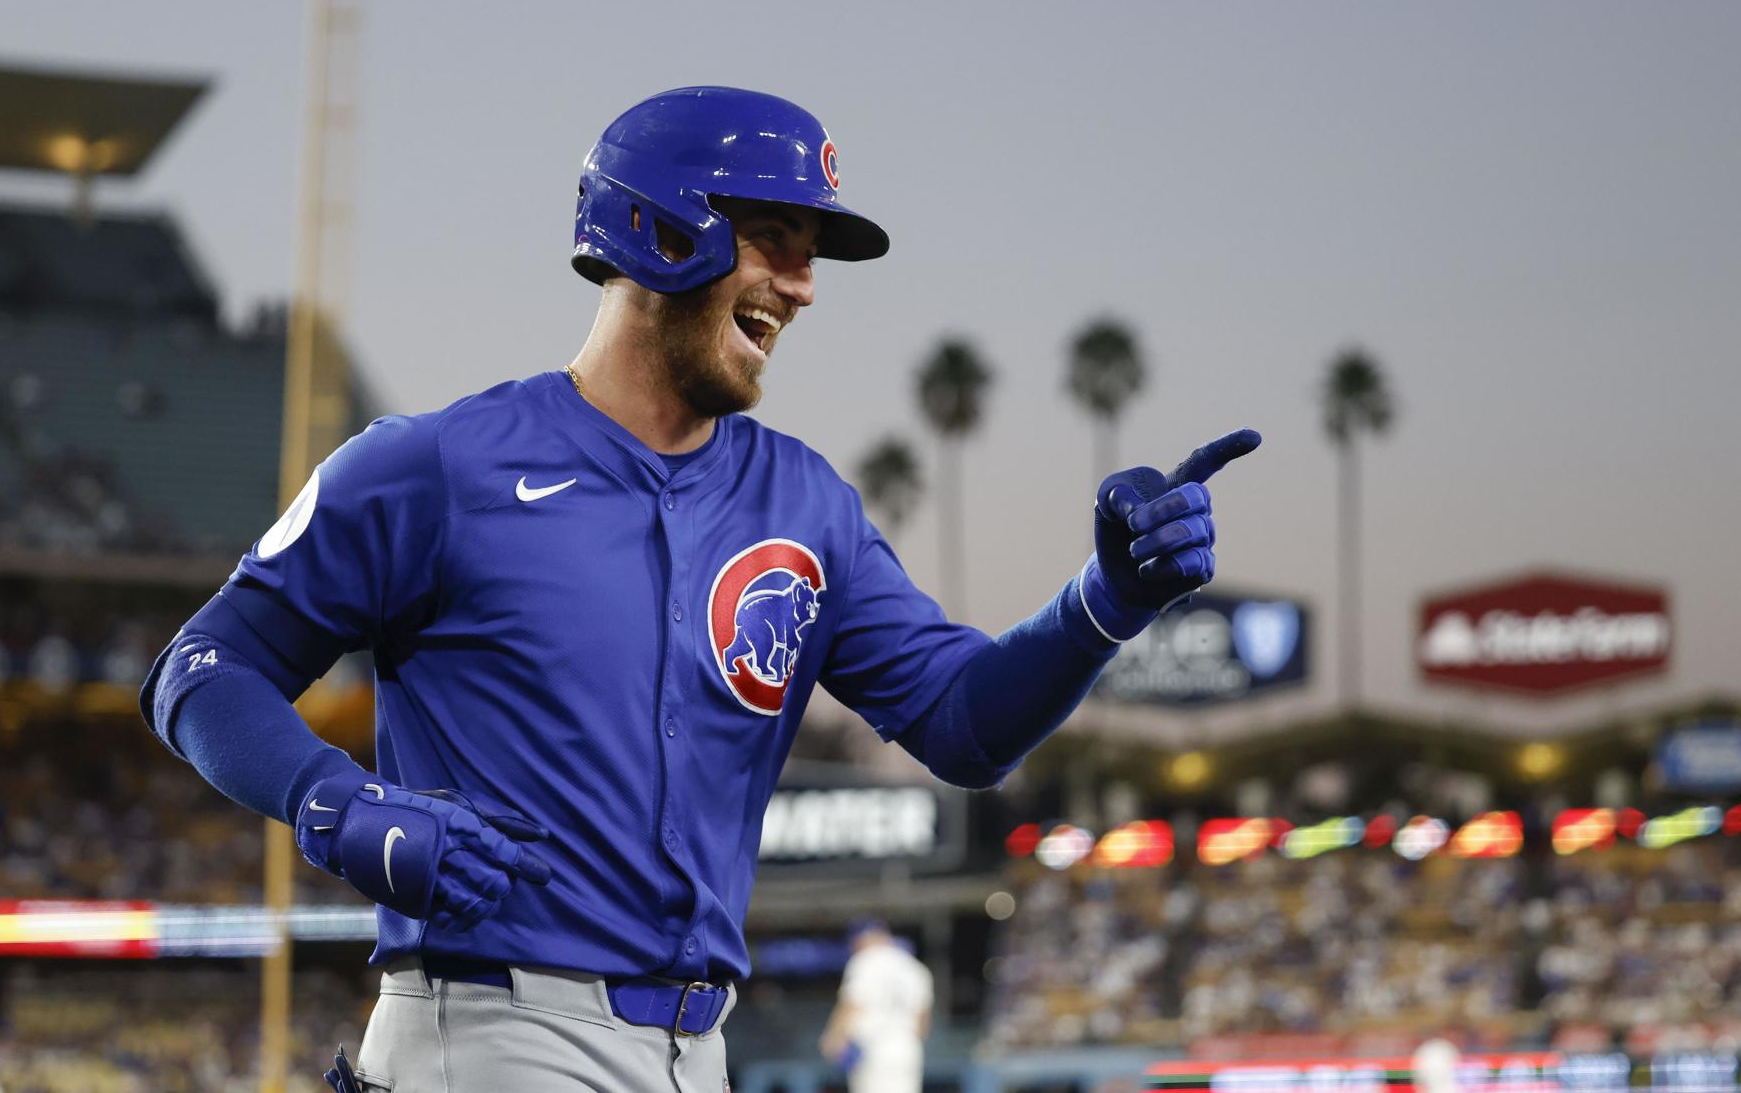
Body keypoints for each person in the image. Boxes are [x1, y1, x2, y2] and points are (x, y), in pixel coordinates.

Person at [139, 86, 1259, 1093]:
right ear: (657, 227)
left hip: (696, 1049)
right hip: (491, 1031)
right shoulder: (437, 464)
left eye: (810, 250)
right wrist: (338, 802)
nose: (804, 285)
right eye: (773, 237)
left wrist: (1102, 601)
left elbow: (964, 725)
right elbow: (203, 667)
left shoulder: (805, 503)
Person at [820, 920, 933, 1093]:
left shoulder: (865, 960)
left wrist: (834, 1037)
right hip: (907, 1048)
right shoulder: (915, 967)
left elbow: (852, 1003)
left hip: (873, 1047)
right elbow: (922, 1022)